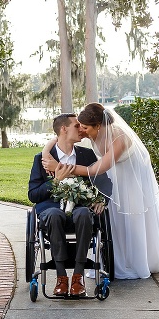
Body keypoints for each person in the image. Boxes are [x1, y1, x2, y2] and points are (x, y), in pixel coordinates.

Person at [41, 103, 159, 279]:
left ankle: (138, 261)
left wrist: (60, 167)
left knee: (131, 220)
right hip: (111, 178)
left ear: (98, 125)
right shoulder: (93, 130)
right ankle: (113, 260)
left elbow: (96, 169)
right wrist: (45, 151)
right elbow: (60, 135)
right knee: (114, 221)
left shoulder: (119, 137)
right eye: (80, 126)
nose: (83, 131)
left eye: (86, 127)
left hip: (130, 180)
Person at [28, 113, 106, 296]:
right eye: (76, 126)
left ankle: (78, 277)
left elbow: (104, 184)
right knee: (55, 216)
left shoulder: (86, 155)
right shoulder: (42, 158)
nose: (81, 130)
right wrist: (55, 182)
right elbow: (33, 194)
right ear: (64, 129)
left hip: (80, 207)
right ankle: (61, 278)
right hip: (51, 209)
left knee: (85, 215)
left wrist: (101, 201)